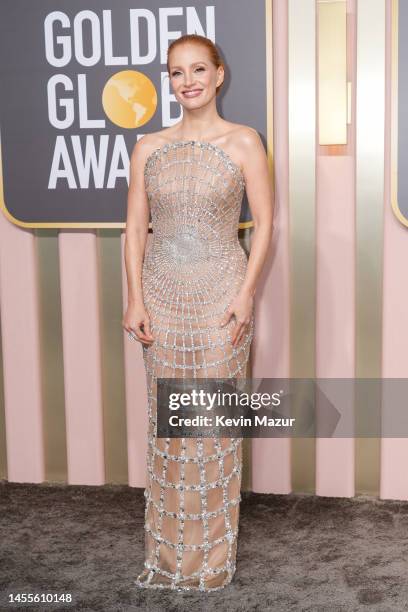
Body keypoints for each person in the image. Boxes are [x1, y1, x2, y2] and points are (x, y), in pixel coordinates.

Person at [122, 33, 274, 592]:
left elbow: (265, 225)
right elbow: (136, 228)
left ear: (219, 75)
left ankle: (209, 560)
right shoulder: (148, 146)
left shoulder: (243, 142)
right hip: (161, 295)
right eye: (176, 73)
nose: (188, 82)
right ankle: (167, 557)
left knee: (210, 425)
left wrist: (246, 293)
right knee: (168, 429)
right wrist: (135, 296)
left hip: (221, 298)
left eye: (197, 70)